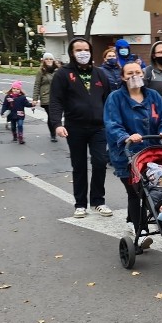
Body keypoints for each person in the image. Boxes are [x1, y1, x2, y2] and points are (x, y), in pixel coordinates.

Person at [104, 62, 162, 237]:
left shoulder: (153, 96)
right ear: (122, 77)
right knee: (136, 192)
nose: (134, 75)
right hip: (127, 154)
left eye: (137, 72)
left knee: (158, 189)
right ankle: (138, 228)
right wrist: (126, 136)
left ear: (143, 74)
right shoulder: (115, 98)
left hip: (152, 152)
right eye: (129, 73)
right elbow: (112, 123)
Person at [48, 37, 113, 218]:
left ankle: (98, 201)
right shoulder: (62, 74)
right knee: (79, 165)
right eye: (78, 50)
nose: (83, 53)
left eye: (86, 49)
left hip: (99, 127)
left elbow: (109, 100)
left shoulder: (100, 74)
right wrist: (56, 124)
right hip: (74, 127)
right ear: (72, 53)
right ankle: (80, 204)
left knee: (100, 162)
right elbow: (55, 101)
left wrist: (112, 121)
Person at [33, 53, 61, 142]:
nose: (49, 60)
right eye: (47, 59)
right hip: (46, 97)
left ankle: (57, 129)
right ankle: (53, 134)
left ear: (53, 60)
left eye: (50, 59)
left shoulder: (58, 70)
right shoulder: (41, 71)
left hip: (57, 96)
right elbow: (37, 85)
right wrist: (35, 98)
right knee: (51, 115)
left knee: (57, 115)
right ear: (44, 61)